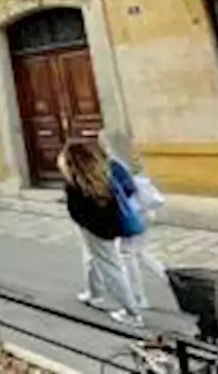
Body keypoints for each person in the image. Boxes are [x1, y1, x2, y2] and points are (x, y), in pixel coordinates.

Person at [58, 141, 143, 327]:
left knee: (111, 269)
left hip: (95, 229)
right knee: (101, 262)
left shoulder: (76, 183)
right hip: (109, 226)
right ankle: (95, 293)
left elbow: (76, 211)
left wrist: (84, 222)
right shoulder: (101, 175)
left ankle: (132, 312)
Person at [99, 131, 168, 309]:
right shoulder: (133, 159)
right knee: (139, 252)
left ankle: (138, 298)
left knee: (127, 254)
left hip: (133, 213)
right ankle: (168, 277)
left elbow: (126, 190)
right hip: (145, 210)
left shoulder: (114, 164)